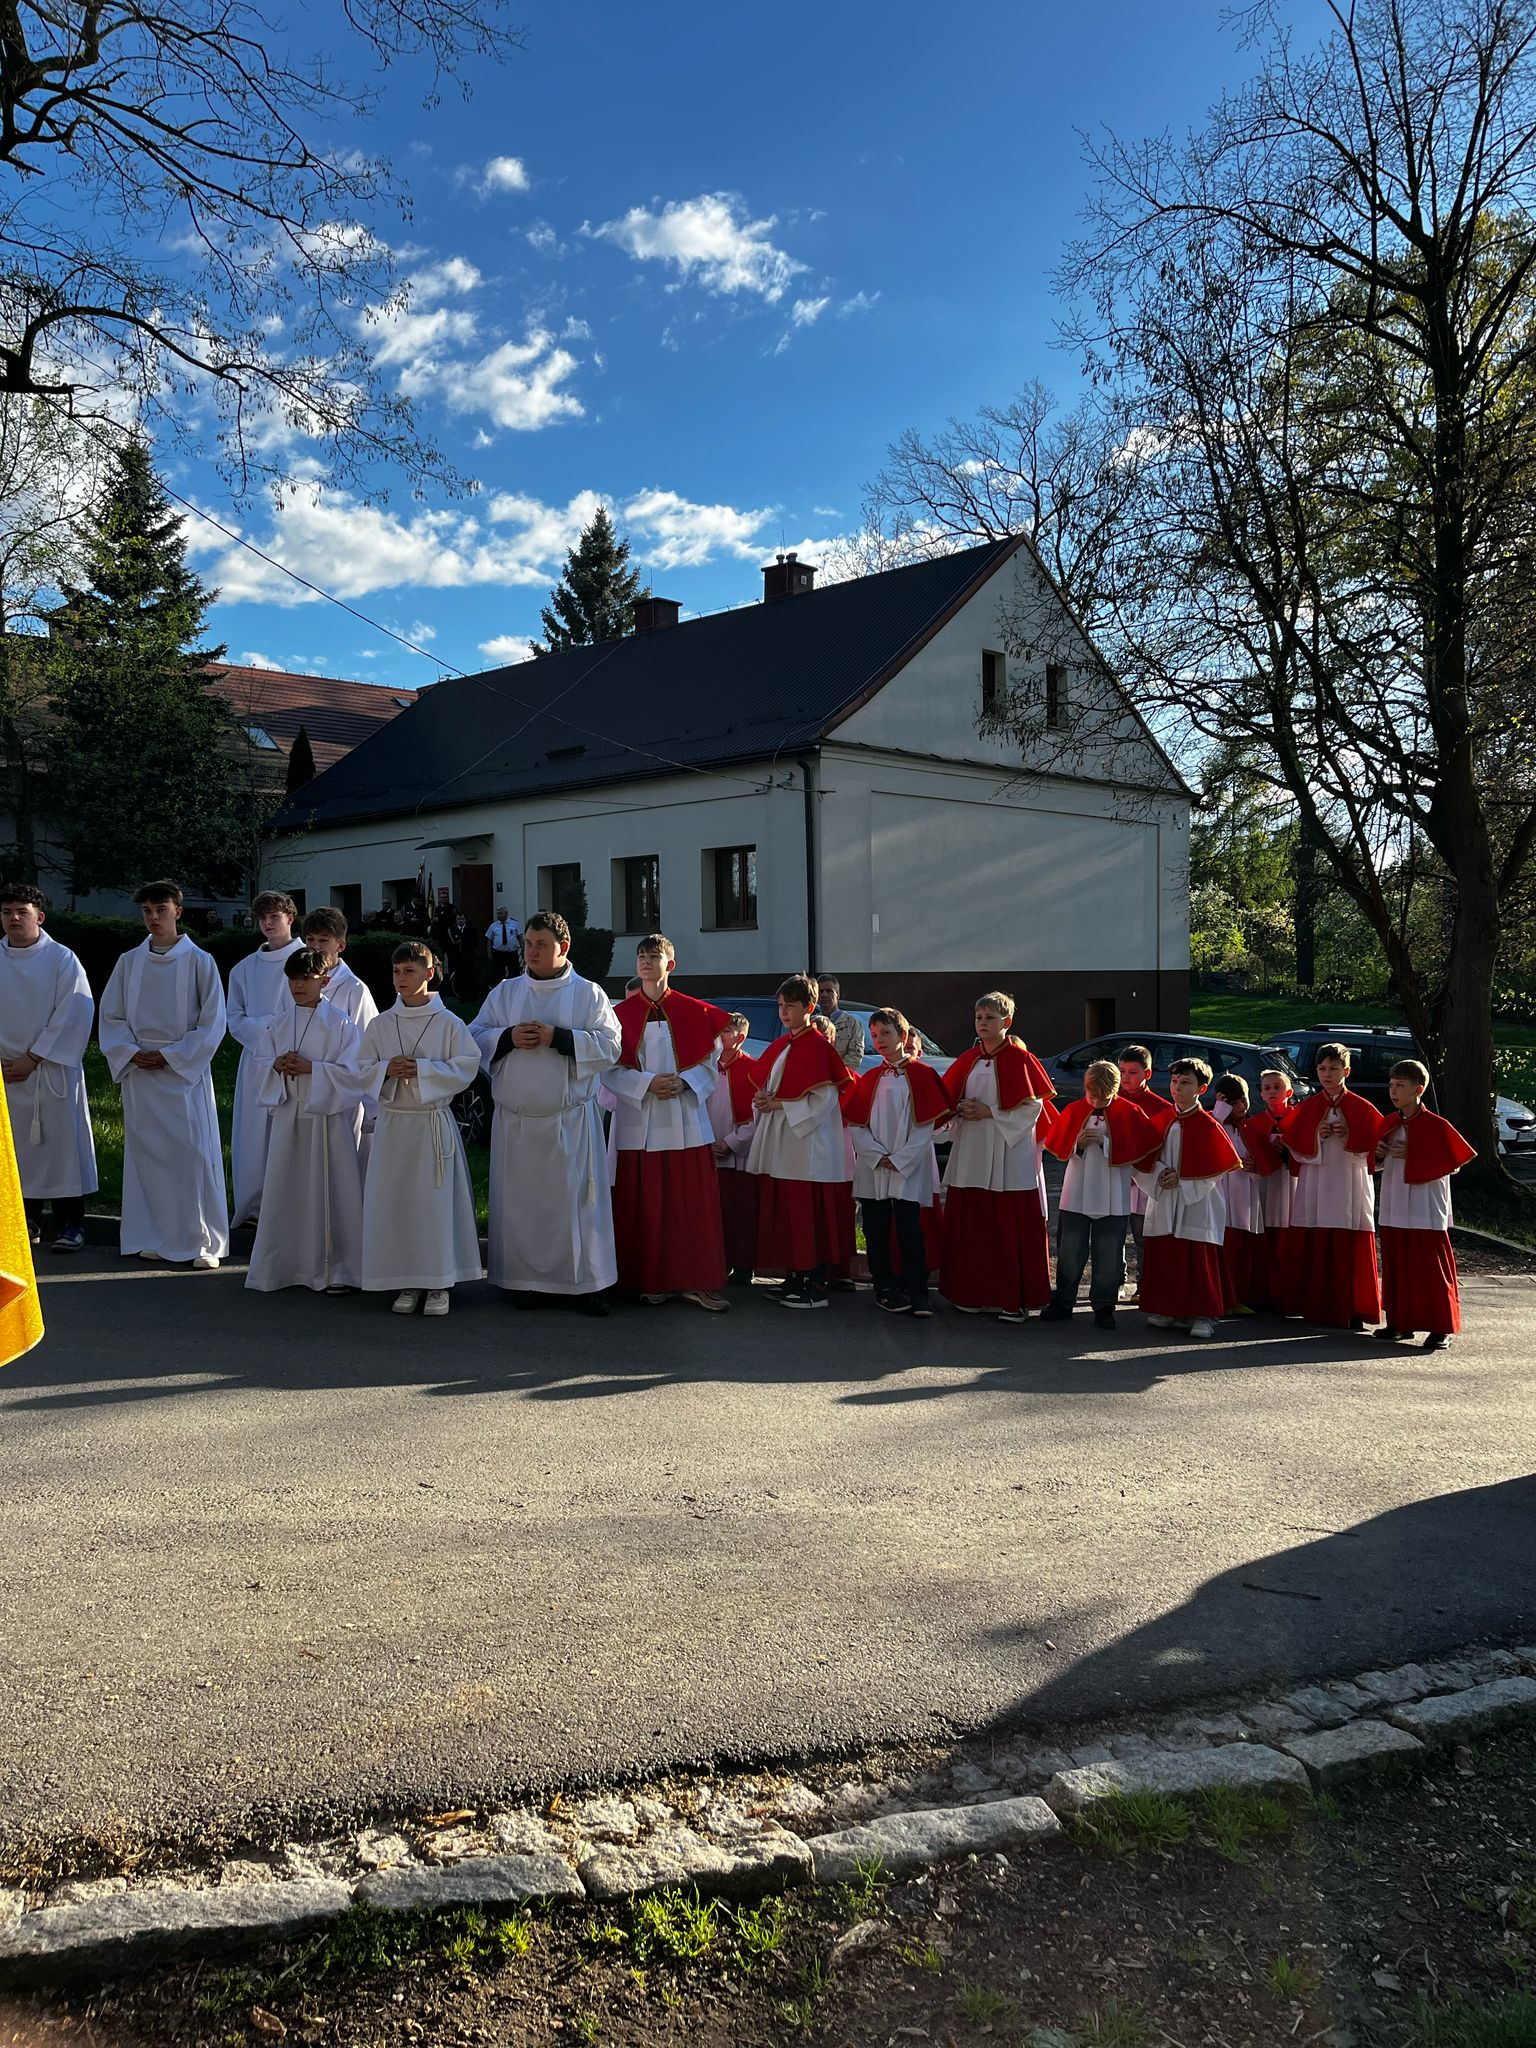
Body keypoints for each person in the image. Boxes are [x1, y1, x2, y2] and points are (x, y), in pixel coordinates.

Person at [467, 910, 621, 1314]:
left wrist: (562, 1038)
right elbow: (473, 1037)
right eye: (528, 945)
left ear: (563, 948)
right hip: (517, 1122)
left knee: (577, 1205)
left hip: (568, 1120)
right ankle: (523, 1281)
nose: (532, 952)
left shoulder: (589, 994)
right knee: (522, 1206)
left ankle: (587, 1285)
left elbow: (611, 1046)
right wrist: (508, 1036)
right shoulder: (505, 992)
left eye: (541, 945)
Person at [98, 881, 229, 1269]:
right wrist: (132, 1053)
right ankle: (154, 1234)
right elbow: (111, 1015)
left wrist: (172, 1056)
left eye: (161, 910)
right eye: (147, 911)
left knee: (190, 1154)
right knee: (147, 1155)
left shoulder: (199, 961)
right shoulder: (128, 962)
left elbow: (212, 1022)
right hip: (140, 1071)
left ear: (178, 911)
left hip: (180, 1074)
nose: (153, 918)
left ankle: (200, 1240)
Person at [605, 935, 732, 1311]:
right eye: (642, 956)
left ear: (670, 965)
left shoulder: (696, 1012)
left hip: (684, 1120)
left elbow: (711, 1063)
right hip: (639, 1121)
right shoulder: (618, 1016)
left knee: (690, 1206)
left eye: (654, 956)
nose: (646, 962)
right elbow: (608, 1069)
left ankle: (697, 1281)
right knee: (644, 1206)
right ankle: (649, 1280)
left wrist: (685, 1081)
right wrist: (646, 1083)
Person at [357, 943, 481, 1316]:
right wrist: (385, 1071)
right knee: (399, 1205)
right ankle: (408, 1279)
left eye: (410, 971)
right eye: (396, 972)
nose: (401, 979)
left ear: (429, 973)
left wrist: (424, 1070)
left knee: (433, 1205)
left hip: (430, 1125)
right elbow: (362, 1067)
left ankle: (439, 1282)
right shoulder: (381, 1024)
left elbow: (467, 1065)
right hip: (395, 1124)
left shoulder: (449, 1024)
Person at [245, 950, 366, 1294]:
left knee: (332, 1190)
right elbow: (260, 1064)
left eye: (306, 978)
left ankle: (339, 1268)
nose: (298, 985)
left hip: (325, 1120)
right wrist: (277, 1066)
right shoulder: (279, 1023)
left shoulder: (341, 1023)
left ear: (324, 981)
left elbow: (353, 1074)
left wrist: (314, 1069)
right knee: (286, 1188)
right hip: (289, 1116)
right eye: (293, 978)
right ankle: (283, 1266)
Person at [938, 991, 1057, 1322]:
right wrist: (958, 1110)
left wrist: (989, 1112)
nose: (983, 1023)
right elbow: (946, 1097)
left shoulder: (1021, 1060)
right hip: (973, 1151)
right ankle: (971, 1293)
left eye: (990, 1018)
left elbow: (1033, 1106)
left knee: (1009, 1227)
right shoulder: (967, 1059)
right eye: (979, 1017)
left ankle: (1012, 1299)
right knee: (973, 1226)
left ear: (1007, 1022)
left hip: (1008, 1153)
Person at [747, 974, 856, 1309]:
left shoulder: (818, 1048)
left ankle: (814, 1285)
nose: (783, 1011)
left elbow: (822, 1103)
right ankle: (794, 1276)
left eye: (790, 1006)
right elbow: (772, 1084)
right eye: (780, 1005)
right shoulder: (785, 1044)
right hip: (786, 1139)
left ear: (808, 1007)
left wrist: (778, 1104)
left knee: (809, 1214)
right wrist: (764, 1099)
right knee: (792, 1214)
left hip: (810, 1147)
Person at [0, 883, 97, 1253]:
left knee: (60, 1148)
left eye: (21, 912)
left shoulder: (62, 959)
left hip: (50, 1070)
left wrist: (34, 1057)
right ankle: (27, 1221)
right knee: (15, 1151)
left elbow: (74, 1012)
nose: (13, 918)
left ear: (39, 917)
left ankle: (72, 1224)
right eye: (7, 912)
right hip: (5, 1071)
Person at [843, 1007, 949, 1316]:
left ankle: (917, 1291)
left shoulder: (923, 1075)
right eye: (874, 1036)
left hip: (907, 1165)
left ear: (903, 1036)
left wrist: (900, 1158)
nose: (879, 1041)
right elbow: (856, 1123)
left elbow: (924, 1126)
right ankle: (884, 1288)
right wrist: (876, 1155)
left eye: (886, 1034)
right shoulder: (870, 1077)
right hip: (873, 1165)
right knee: (875, 1229)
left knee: (910, 1231)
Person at [1042, 1060, 1161, 1329]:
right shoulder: (1076, 1109)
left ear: (1113, 1090)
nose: (1094, 1100)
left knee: (1108, 1252)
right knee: (1070, 1250)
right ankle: (1063, 1301)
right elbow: (1058, 1146)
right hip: (1077, 1192)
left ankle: (1104, 1306)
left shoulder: (1129, 1112)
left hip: (1113, 1194)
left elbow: (1140, 1149)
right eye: (1090, 1093)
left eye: (1101, 1095)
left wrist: (1106, 1143)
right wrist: (1077, 1145)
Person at [1131, 1056, 1240, 1339]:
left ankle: (1205, 1313)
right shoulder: (1162, 1119)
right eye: (1175, 1081)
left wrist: (1184, 1178)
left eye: (1186, 1082)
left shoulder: (1208, 1125)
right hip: (1165, 1196)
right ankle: (1170, 1308)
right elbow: (1143, 1157)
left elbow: (1217, 1167)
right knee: (1167, 1251)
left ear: (1201, 1089)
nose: (1177, 1087)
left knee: (1197, 1255)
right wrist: (1159, 1174)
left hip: (1198, 1201)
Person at [1280, 1042, 1386, 1330]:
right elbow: (1294, 1147)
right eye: (1322, 1069)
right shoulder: (1309, 1107)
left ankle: (1351, 1307)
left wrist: (1351, 1136)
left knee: (1348, 1241)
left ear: (1346, 1071)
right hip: (1315, 1183)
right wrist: (1316, 1135)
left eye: (1334, 1069)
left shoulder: (1362, 1107)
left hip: (1348, 1183)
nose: (1327, 1074)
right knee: (1314, 1238)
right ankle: (1312, 1305)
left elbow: (1378, 1151)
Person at [1373, 1058, 1474, 1351]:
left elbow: (1453, 1163)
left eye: (1400, 1086)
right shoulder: (1390, 1122)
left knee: (1430, 1266)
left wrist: (1414, 1151)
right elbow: (1375, 1163)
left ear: (1418, 1090)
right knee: (1398, 1265)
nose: (1393, 1091)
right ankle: (1399, 1322)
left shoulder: (1436, 1125)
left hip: (1425, 1207)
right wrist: (1379, 1153)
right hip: (1394, 1203)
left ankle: (1440, 1326)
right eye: (1391, 1085)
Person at [227, 890, 304, 1227]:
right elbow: (234, 1018)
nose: (268, 923)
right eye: (262, 918)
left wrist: (281, 1037)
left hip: (296, 1060)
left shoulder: (307, 961)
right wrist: (268, 1034)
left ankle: (291, 1204)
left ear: (290, 917)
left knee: (288, 1133)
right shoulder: (244, 969)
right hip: (258, 1061)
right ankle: (254, 1206)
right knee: (254, 1135)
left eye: (275, 916)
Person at [301, 906, 379, 1172]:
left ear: (341, 945)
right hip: (303, 1092)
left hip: (341, 1092)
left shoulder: (354, 990)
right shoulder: (295, 984)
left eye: (323, 940)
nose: (315, 946)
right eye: (310, 939)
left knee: (341, 1169)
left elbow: (367, 1046)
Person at [1241, 1069, 1300, 1315]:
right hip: (1264, 1185)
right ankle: (1262, 1294)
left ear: (1289, 1092)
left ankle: (1290, 1296)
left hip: (1291, 1184)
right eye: (1267, 1088)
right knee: (1264, 1239)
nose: (1272, 1092)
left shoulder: (1300, 1119)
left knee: (1289, 1240)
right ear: (1261, 1094)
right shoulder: (1253, 1124)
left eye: (1277, 1087)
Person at [1118, 1045, 1174, 1303]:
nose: (1126, 1077)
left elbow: (1161, 1147)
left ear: (1147, 1074)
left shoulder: (1160, 1107)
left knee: (1143, 1237)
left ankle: (1144, 1284)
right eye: (1122, 1071)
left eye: (1132, 1072)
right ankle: (1116, 1280)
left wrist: (1140, 1172)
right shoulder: (1112, 1100)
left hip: (1143, 1183)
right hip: (1116, 1180)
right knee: (1115, 1234)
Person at [708, 1012, 759, 1285]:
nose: (720, 1036)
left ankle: (742, 1266)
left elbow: (756, 1118)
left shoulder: (752, 1070)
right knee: (713, 1212)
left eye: (726, 1032)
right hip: (708, 1148)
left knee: (739, 1212)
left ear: (740, 1038)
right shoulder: (706, 1067)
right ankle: (715, 1262)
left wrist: (730, 1143)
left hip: (737, 1154)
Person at [1212, 1073, 1265, 1316]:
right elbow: (1208, 1139)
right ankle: (1220, 1297)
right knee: (1222, 1249)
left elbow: (1264, 1161)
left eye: (1243, 1100)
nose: (1241, 1107)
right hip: (1221, 1196)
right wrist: (1220, 1112)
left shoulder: (1248, 1128)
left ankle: (1237, 1296)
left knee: (1241, 1250)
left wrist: (1256, 1167)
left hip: (1244, 1196)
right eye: (1233, 1103)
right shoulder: (1214, 1123)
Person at [816, 976, 867, 1069]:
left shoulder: (852, 1023)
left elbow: (855, 1055)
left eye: (829, 991)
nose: (824, 995)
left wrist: (836, 1073)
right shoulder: (811, 1023)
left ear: (838, 995)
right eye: (821, 991)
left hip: (840, 1079)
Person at [485, 907, 523, 981]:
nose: (498, 915)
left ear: (506, 914)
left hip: (512, 953)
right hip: (499, 954)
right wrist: (489, 954)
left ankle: (513, 990)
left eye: (500, 913)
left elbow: (520, 938)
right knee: (498, 974)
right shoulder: (493, 926)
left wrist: (523, 950)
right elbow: (489, 940)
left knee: (514, 974)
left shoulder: (515, 924)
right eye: (498, 913)